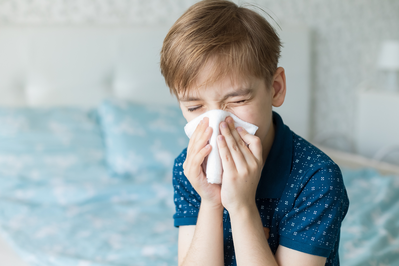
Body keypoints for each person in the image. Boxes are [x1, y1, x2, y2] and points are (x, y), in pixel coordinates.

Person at [159, 0, 349, 265]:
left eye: (237, 101)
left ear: (275, 88)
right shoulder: (189, 168)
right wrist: (211, 201)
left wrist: (241, 206)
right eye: (194, 106)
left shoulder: (316, 178)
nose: (218, 123)